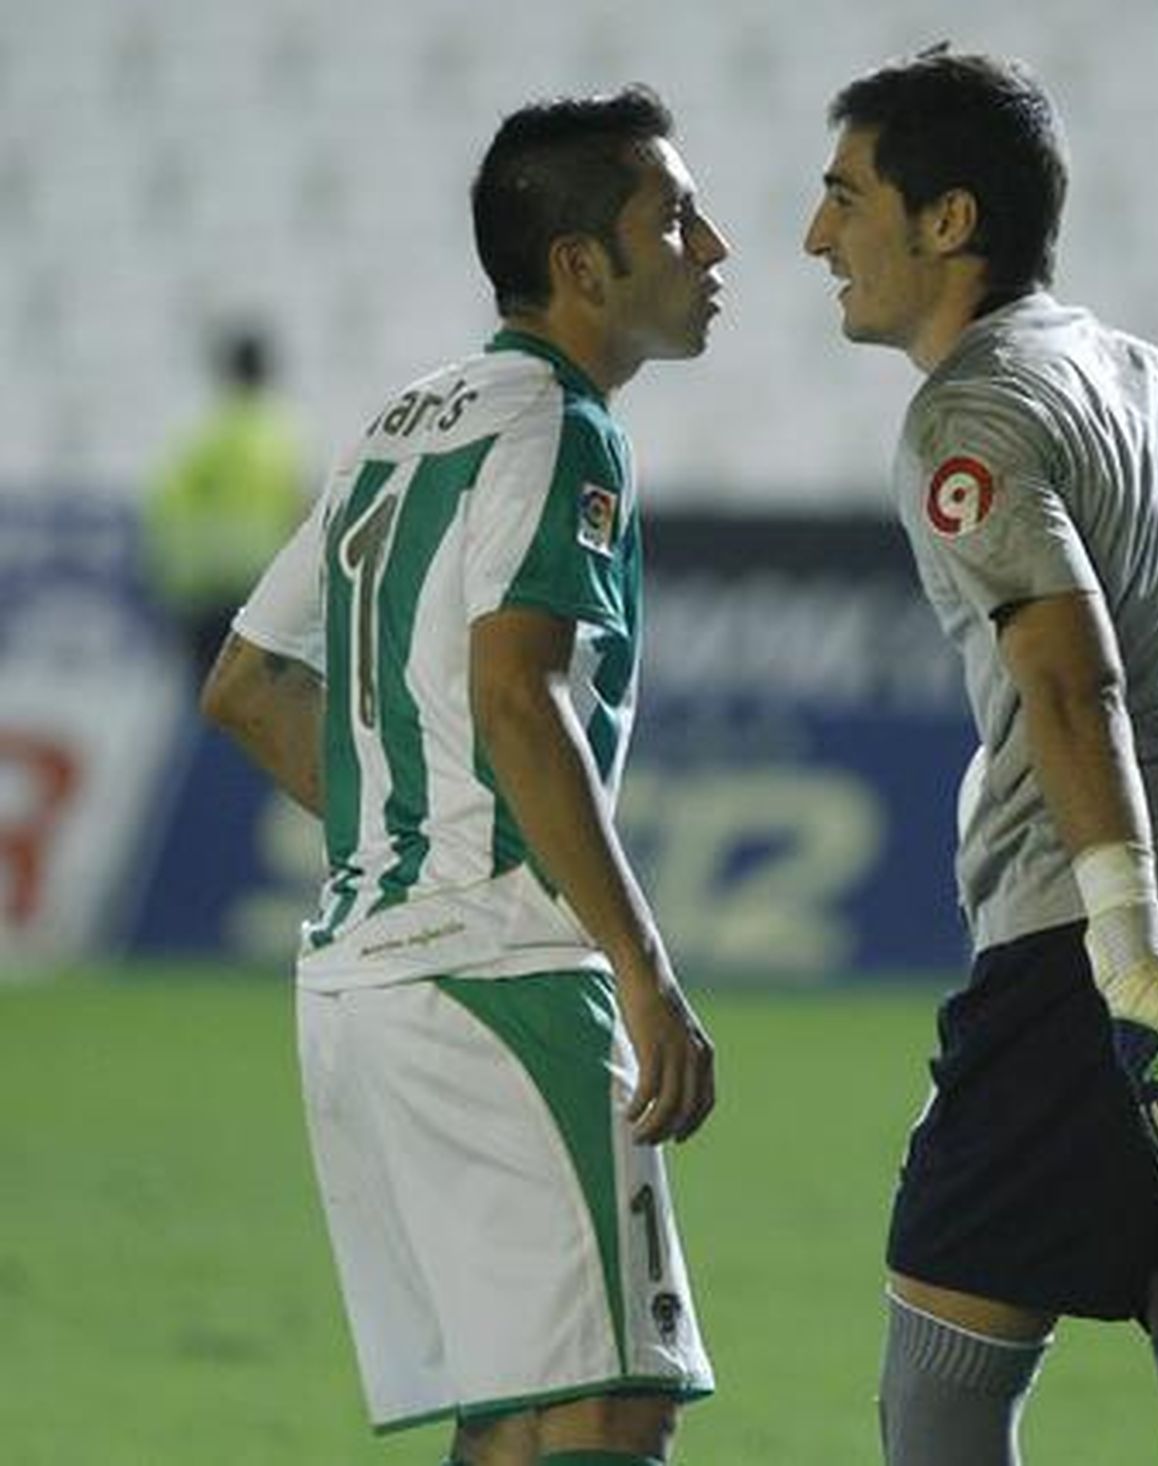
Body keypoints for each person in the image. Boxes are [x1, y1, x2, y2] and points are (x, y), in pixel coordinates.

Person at [804, 49, 1158, 1465]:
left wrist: (1128, 953)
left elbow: (1070, 676)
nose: (819, 237)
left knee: (941, 1408)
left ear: (948, 222)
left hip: (1103, 955)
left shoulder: (972, 409)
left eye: (846, 194)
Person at [201, 86, 727, 1466]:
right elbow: (516, 689)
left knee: (523, 1406)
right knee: (615, 1397)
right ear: (581, 266)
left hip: (362, 982)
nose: (714, 245)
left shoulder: (399, 423)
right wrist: (642, 965)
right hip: (499, 974)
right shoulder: (564, 425)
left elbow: (247, 685)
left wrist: (412, 826)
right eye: (674, 218)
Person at [143, 324, 308, 682]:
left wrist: (175, 570)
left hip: (203, 586)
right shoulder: (283, 434)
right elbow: (299, 510)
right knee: (252, 694)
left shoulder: (208, 432)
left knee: (204, 690)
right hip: (259, 586)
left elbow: (165, 503)